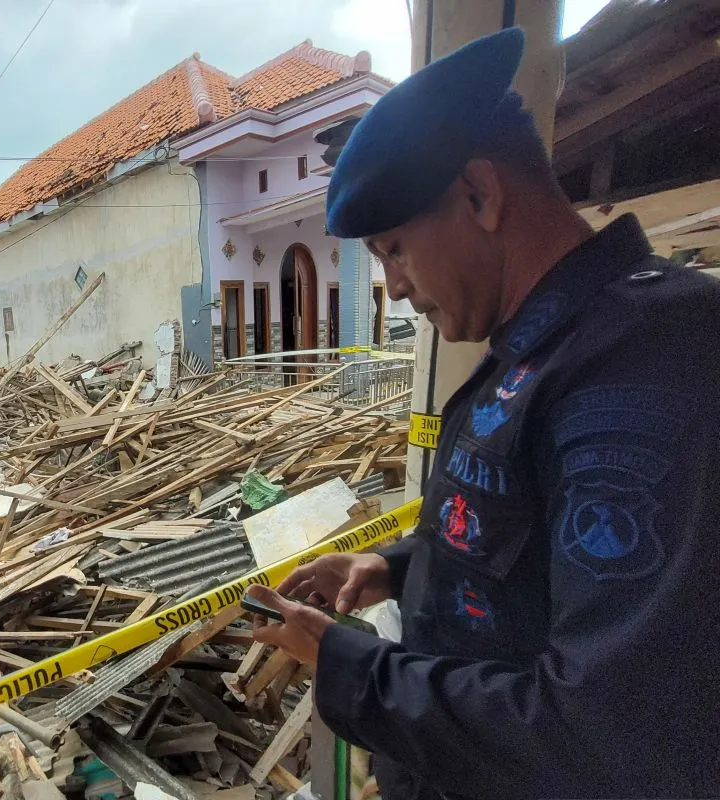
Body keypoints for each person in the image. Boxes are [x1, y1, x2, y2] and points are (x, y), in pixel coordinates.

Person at [248, 27, 720, 800]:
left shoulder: (647, 361)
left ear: (479, 195)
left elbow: (604, 730)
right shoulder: (537, 350)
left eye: (395, 249)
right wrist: (396, 568)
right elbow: (527, 552)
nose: (395, 288)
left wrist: (348, 665)